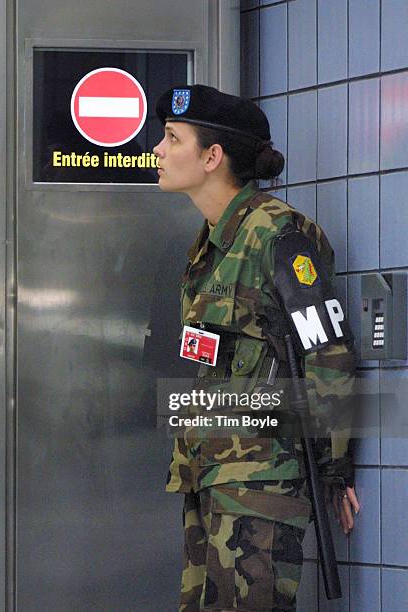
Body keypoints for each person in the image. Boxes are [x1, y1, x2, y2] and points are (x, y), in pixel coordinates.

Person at [153, 84, 360, 612]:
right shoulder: (211, 243)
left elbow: (327, 353)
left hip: (261, 484)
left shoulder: (279, 236)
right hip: (210, 473)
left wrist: (334, 470)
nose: (158, 149)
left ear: (212, 156)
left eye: (172, 138)